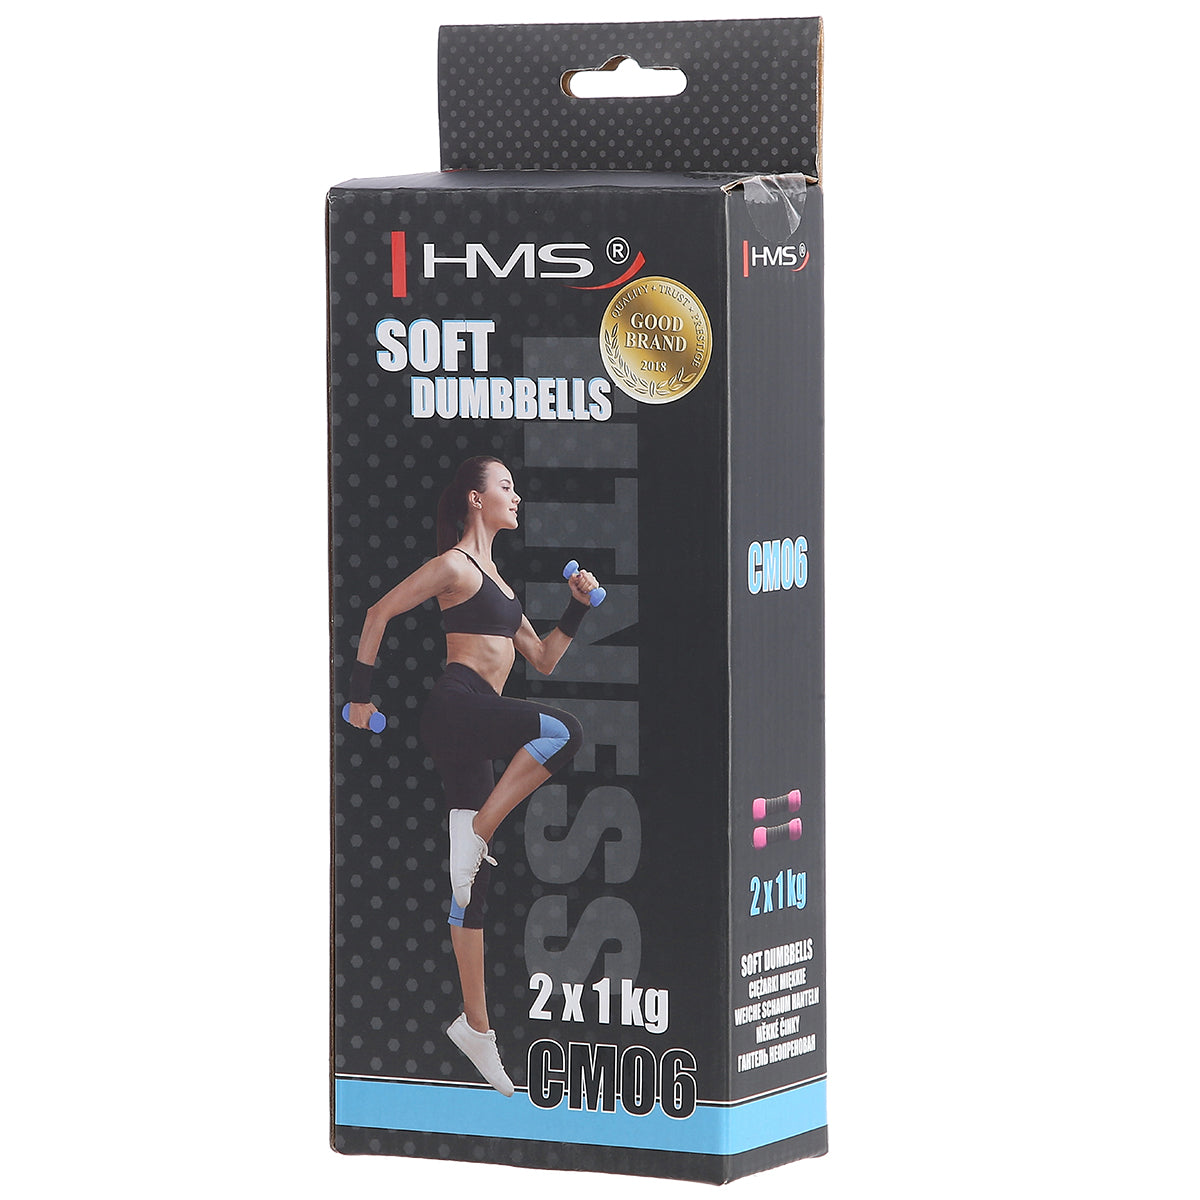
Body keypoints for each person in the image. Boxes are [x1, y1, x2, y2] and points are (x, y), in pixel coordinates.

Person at [345, 455, 599, 1095]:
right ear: (475, 498)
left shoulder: (502, 587)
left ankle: (476, 1029)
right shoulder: (455, 567)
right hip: (455, 709)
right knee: (562, 732)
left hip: (477, 725)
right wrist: (360, 697)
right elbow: (378, 612)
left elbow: (543, 659)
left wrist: (576, 609)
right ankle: (479, 831)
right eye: (505, 486)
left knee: (470, 891)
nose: (517, 496)